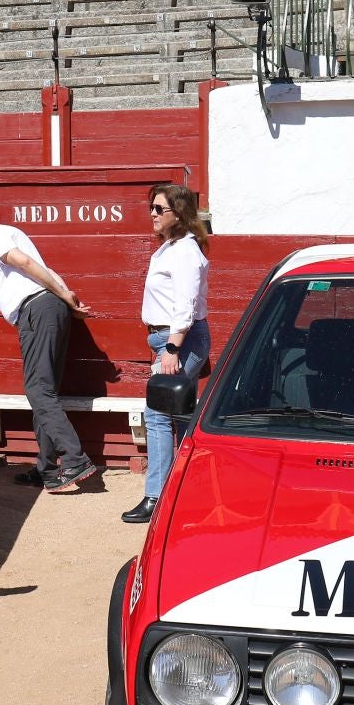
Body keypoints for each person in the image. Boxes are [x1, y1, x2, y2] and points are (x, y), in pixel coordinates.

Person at [0, 208, 98, 493]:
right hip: (44, 309)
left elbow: (25, 262)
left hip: (38, 309)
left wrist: (64, 295)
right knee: (43, 390)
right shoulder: (0, 235)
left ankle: (75, 460)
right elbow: (35, 265)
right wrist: (63, 298)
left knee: (38, 390)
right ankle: (48, 469)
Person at [123, 182, 210, 524]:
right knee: (181, 416)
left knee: (158, 415)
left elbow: (185, 305)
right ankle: (190, 491)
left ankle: (156, 496)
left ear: (180, 214)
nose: (153, 215)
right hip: (169, 340)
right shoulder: (171, 248)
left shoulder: (185, 251)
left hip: (179, 340)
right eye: (152, 208)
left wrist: (172, 348)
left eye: (160, 209)